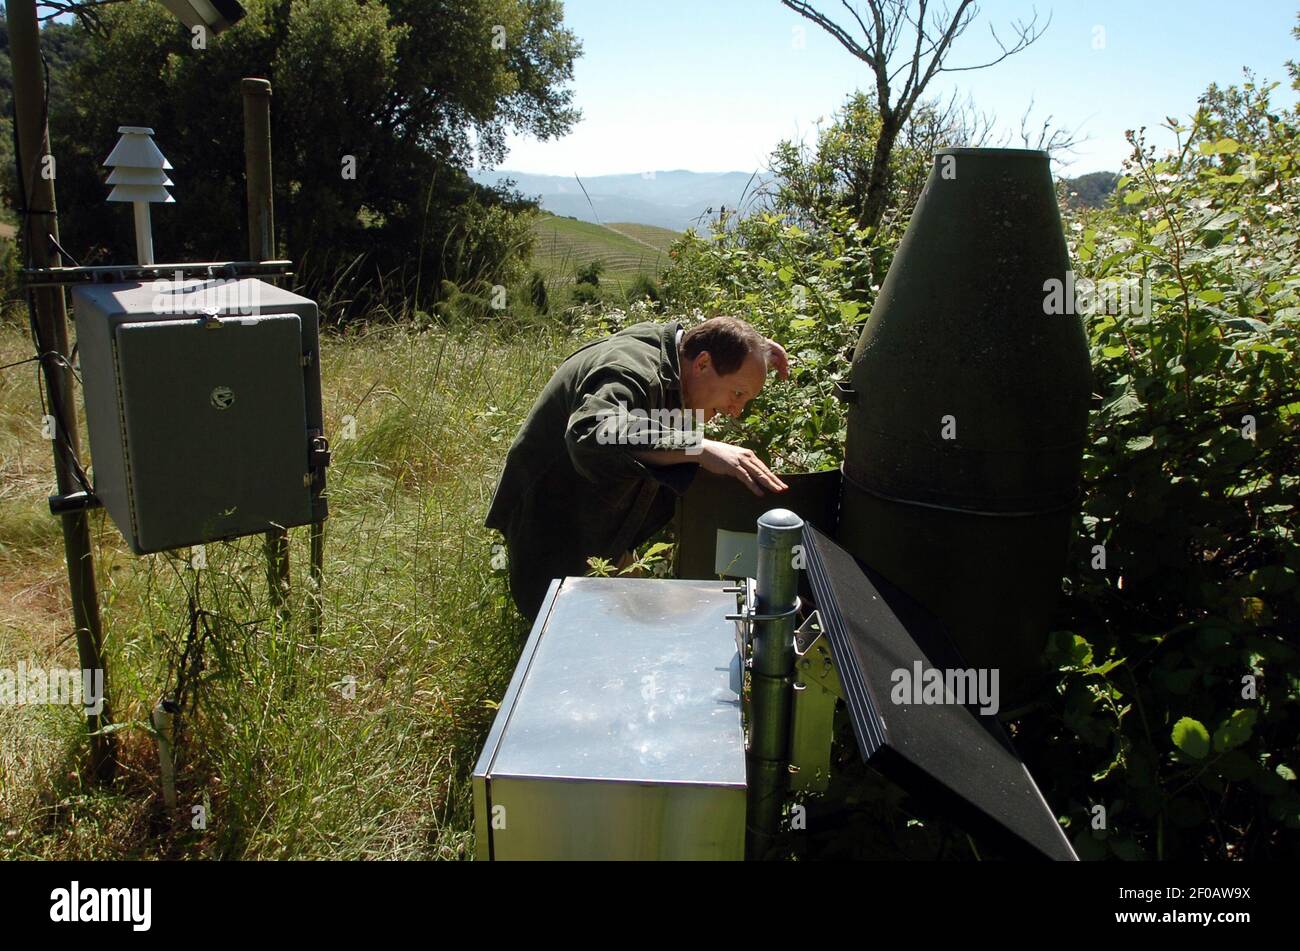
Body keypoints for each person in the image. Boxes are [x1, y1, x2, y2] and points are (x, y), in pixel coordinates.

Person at [484, 314, 789, 619]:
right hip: (550, 521)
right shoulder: (629, 369)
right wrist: (699, 447)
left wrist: (755, 349)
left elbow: (713, 338)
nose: (737, 410)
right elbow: (592, 431)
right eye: (737, 393)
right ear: (703, 364)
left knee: (637, 621)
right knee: (565, 634)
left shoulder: (681, 355)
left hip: (601, 523)